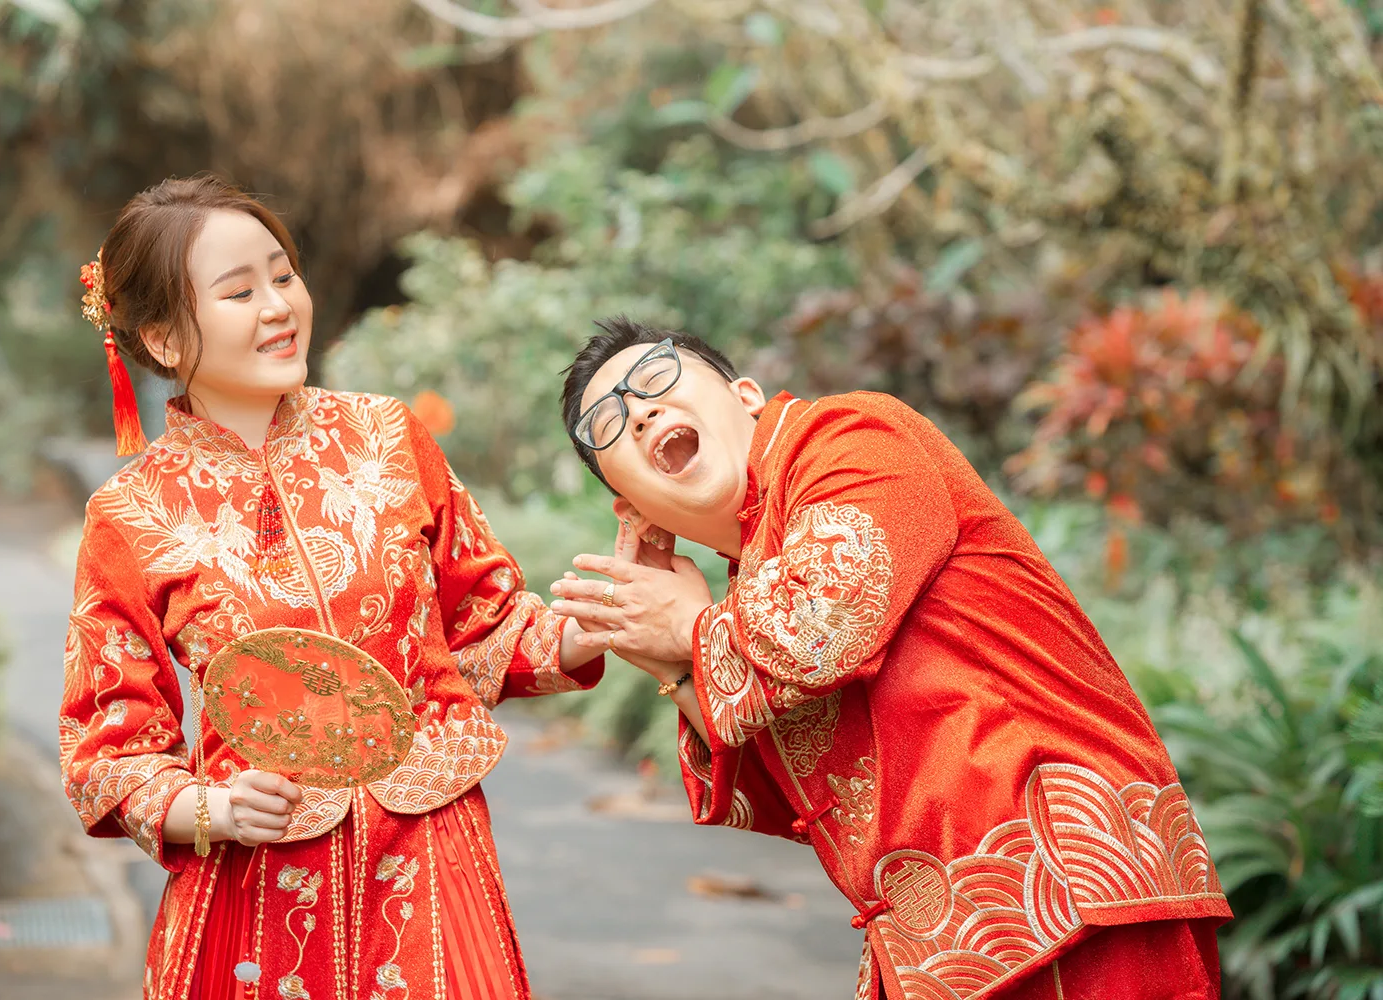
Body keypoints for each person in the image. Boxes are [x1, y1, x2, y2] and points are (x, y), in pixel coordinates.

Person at [548, 317, 1230, 1000]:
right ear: (633, 507)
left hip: (1072, 892)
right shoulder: (751, 583)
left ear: (748, 395)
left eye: (655, 377)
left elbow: (825, 627)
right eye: (606, 421)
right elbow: (786, 791)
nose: (637, 412)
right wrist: (671, 662)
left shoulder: (852, 438)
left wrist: (687, 628)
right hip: (949, 948)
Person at [59, 176, 605, 1000]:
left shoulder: (387, 437)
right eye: (240, 291)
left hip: (428, 847)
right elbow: (108, 744)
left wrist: (586, 632)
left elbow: (482, 626)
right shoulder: (131, 514)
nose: (278, 305)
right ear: (165, 338)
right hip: (258, 883)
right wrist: (207, 809)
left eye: (283, 275)